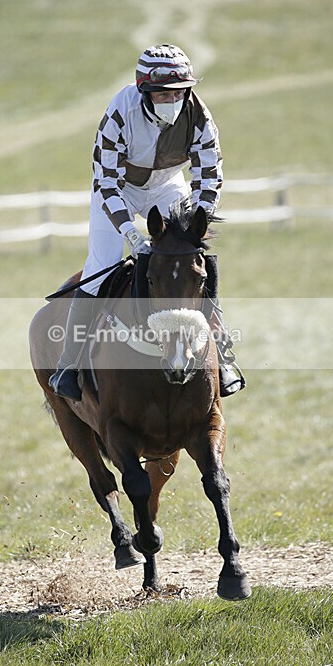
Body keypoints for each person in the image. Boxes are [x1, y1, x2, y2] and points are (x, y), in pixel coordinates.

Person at [49, 43, 244, 402]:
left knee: (195, 263)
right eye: (162, 94)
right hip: (118, 189)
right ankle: (70, 364)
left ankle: (223, 355)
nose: (172, 100)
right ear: (144, 92)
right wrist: (130, 233)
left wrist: (195, 227)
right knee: (103, 266)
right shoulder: (119, 113)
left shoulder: (199, 116)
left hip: (167, 187)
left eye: (178, 92)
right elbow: (105, 180)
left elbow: (210, 176)